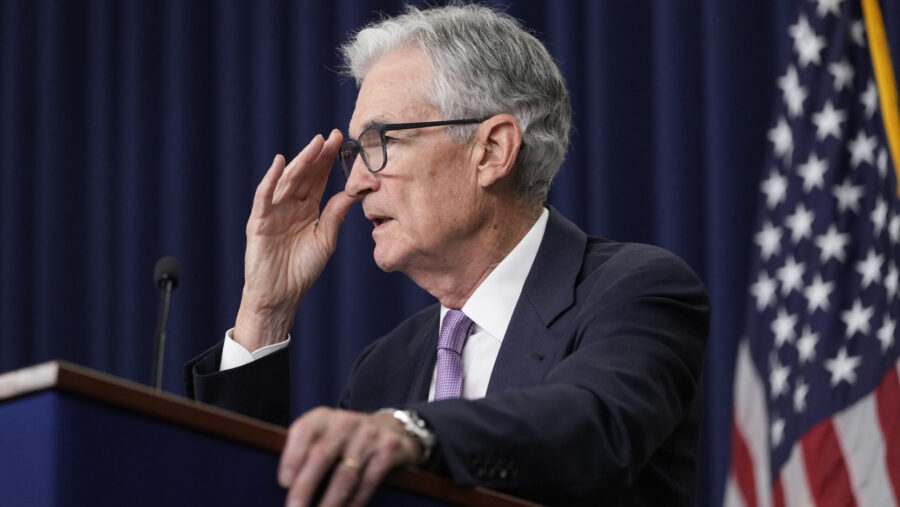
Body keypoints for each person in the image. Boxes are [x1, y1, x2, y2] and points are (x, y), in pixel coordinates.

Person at [185, 4, 709, 506]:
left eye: (381, 141)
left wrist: (413, 431)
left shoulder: (635, 290)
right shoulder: (385, 368)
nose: (358, 182)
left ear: (492, 151)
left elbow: (593, 424)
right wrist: (265, 310)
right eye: (355, 154)